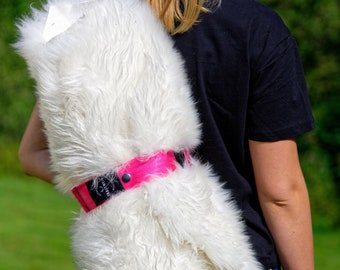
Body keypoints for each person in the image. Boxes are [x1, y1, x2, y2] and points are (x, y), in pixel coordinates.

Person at [18, 0, 315, 269]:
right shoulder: (257, 29)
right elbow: (280, 193)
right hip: (234, 254)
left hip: (130, 253)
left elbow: (31, 154)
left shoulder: (91, 27)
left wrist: (122, 191)